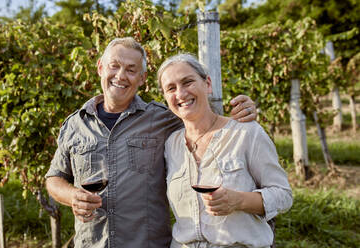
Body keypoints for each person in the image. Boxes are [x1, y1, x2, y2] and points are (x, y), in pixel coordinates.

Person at [45, 37, 257, 248]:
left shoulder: (164, 119)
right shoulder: (75, 124)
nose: (120, 75)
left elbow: (206, 119)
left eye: (131, 69)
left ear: (142, 78)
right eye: (114, 66)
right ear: (100, 67)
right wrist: (72, 195)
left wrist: (243, 110)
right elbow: (54, 178)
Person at [158, 53, 293, 248]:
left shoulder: (246, 132)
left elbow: (283, 196)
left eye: (188, 82)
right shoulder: (171, 144)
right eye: (171, 88)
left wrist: (238, 200)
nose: (180, 94)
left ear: (208, 84)